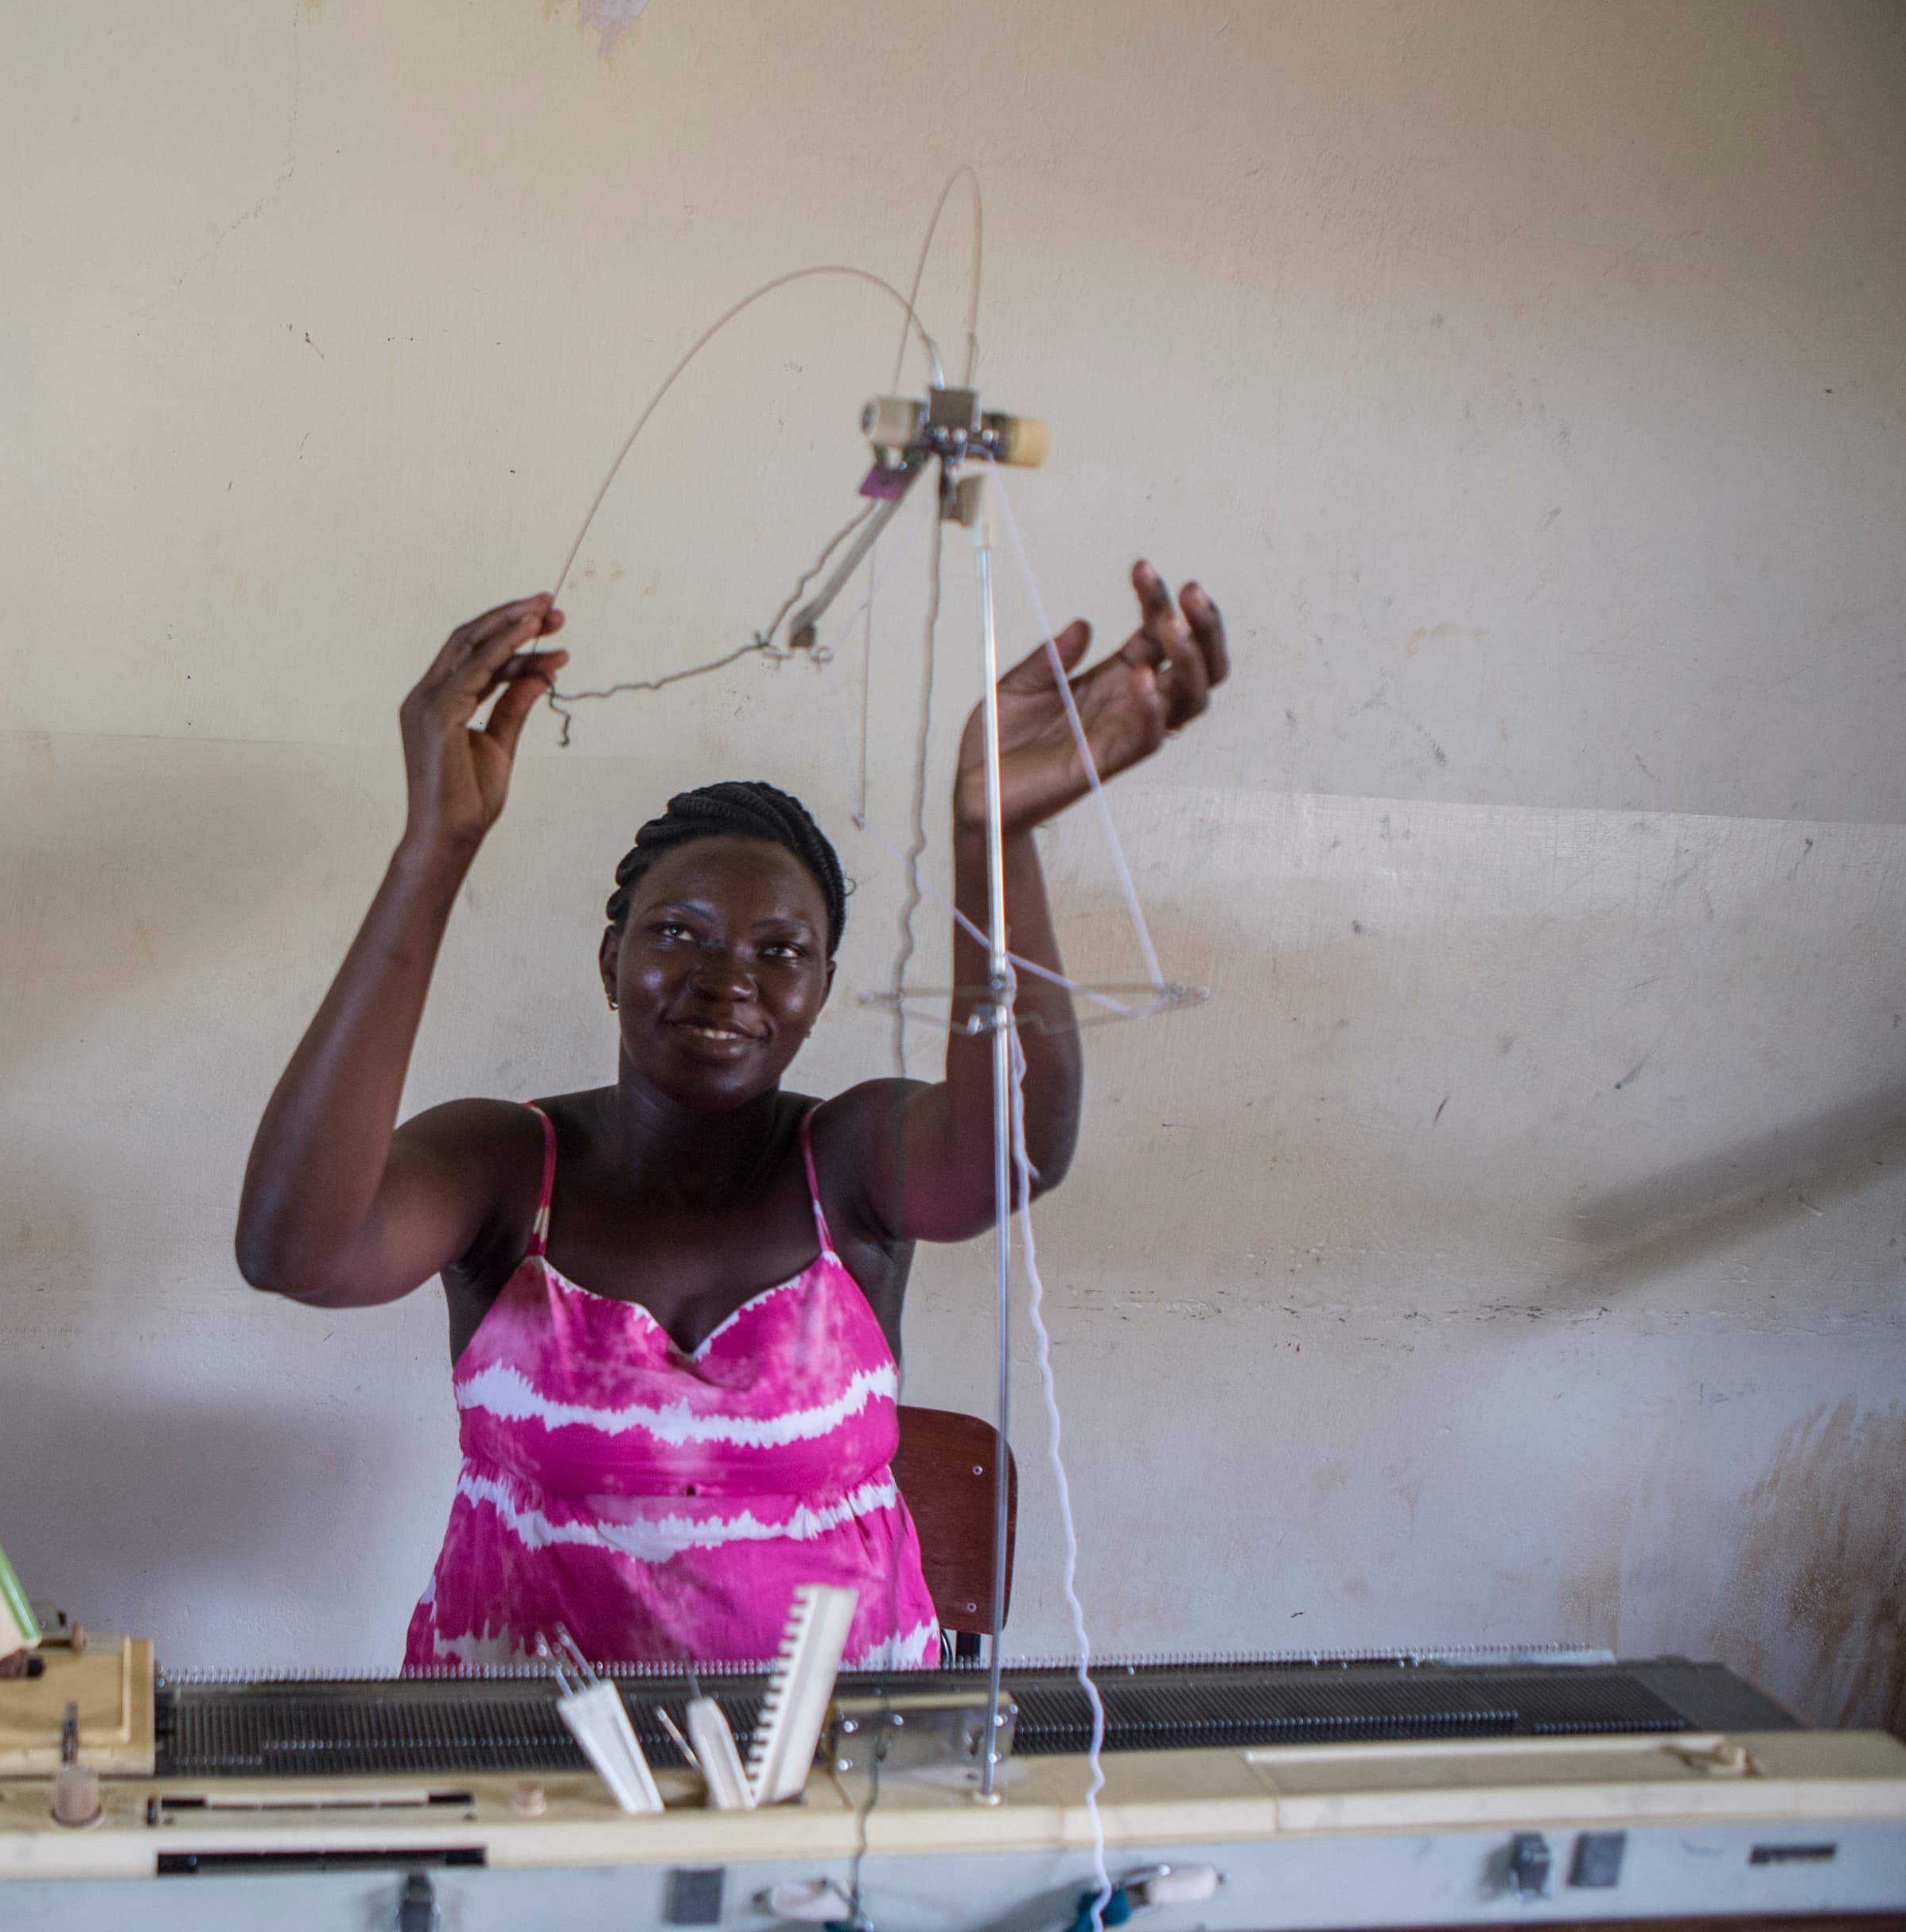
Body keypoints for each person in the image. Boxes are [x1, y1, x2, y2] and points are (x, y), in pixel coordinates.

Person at [235, 565, 1229, 1670]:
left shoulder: (846, 1162)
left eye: (781, 952)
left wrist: (991, 842)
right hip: (521, 1785)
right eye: (681, 933)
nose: (728, 978)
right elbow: (293, 1249)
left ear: (821, 989)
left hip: (830, 1791)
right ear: (612, 960)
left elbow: (1013, 1152)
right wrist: (436, 852)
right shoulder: (506, 1164)